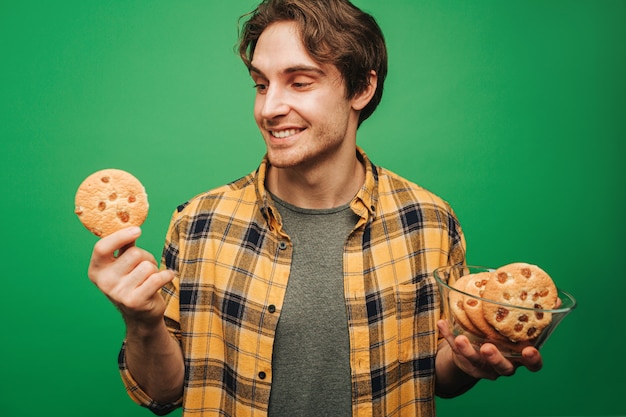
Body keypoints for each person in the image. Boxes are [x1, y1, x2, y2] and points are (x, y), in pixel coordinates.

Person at [87, 0, 544, 415]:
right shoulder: (198, 223)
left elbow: (438, 377)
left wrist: (471, 359)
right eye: (261, 85)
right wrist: (142, 322)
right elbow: (164, 394)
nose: (270, 107)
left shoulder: (429, 221)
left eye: (299, 82)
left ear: (361, 88)